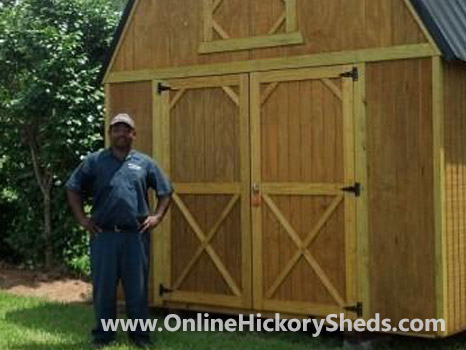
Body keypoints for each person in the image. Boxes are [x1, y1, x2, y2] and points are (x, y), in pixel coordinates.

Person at [65, 113, 172, 348]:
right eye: (116, 129)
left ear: (133, 134)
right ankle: (104, 336)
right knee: (104, 290)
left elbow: (165, 191)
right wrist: (83, 219)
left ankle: (140, 337)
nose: (121, 133)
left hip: (136, 236)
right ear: (109, 134)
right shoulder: (94, 161)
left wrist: (157, 216)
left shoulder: (144, 163)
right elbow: (73, 187)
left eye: (126, 129)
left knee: (137, 290)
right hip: (103, 236)